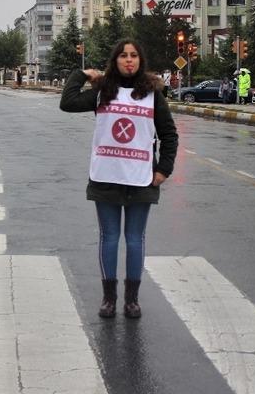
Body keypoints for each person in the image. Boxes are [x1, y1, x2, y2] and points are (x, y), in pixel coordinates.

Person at [60, 40, 178, 319]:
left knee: (135, 238)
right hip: (106, 178)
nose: (129, 60)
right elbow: (68, 102)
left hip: (141, 179)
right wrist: (82, 75)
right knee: (109, 237)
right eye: (123, 56)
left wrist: (163, 170)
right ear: (115, 61)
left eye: (134, 55)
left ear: (140, 60)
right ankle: (109, 298)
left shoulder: (153, 95)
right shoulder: (102, 93)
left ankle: (132, 299)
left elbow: (169, 134)